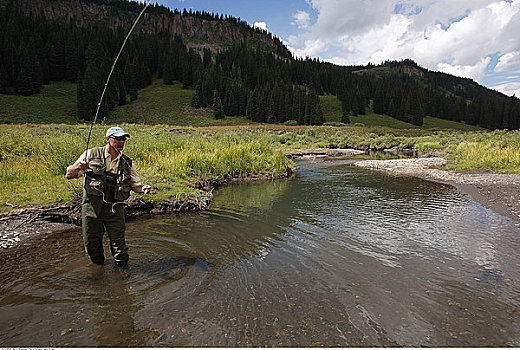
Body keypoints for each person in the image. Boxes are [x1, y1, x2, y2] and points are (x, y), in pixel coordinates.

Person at [66, 127, 151, 267]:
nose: (121, 142)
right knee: (92, 242)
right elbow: (69, 174)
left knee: (119, 244)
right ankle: (98, 270)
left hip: (115, 208)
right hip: (92, 207)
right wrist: (79, 168)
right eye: (117, 139)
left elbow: (135, 185)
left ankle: (123, 272)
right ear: (107, 139)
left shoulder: (127, 162)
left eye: (123, 139)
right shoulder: (91, 154)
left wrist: (143, 189)